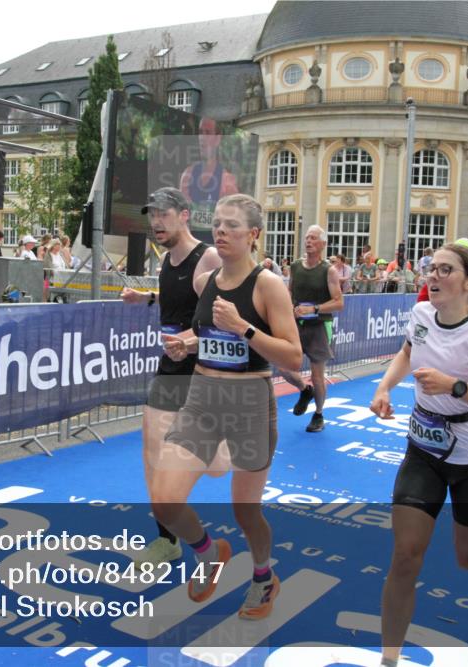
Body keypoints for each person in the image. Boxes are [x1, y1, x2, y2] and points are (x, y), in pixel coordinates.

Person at [369, 242, 468, 667]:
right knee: (405, 555)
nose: (432, 276)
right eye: (430, 267)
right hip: (423, 450)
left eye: (444, 270)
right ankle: (389, 659)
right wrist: (384, 388)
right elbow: (406, 353)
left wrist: (455, 385)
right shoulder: (421, 316)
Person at [152, 193, 301, 621]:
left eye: (232, 225)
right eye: (217, 223)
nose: (221, 231)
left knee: (245, 511)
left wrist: (244, 327)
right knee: (164, 500)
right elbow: (212, 334)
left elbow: (292, 357)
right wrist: (189, 344)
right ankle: (208, 552)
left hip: (249, 403)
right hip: (201, 398)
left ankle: (262, 576)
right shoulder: (208, 281)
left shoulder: (269, 285)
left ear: (253, 235)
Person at [120, 187, 221, 568]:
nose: (156, 222)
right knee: (152, 455)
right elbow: (175, 299)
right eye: (152, 215)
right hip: (170, 368)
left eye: (164, 214)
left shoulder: (206, 257)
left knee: (207, 466)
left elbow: (223, 319)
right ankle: (168, 540)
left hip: (202, 369)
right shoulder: (166, 260)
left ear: (184, 214)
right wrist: (144, 298)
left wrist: (192, 340)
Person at [281, 225, 344, 432]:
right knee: (284, 368)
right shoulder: (296, 267)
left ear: (323, 244)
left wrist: (314, 308)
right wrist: (290, 307)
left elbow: (339, 303)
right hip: (296, 324)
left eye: (313, 238)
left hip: (319, 326)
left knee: (318, 375)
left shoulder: (329, 270)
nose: (308, 241)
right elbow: (289, 292)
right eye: (307, 237)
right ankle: (304, 390)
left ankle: (318, 415)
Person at [179, 116, 239, 211]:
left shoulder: (227, 181)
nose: (202, 138)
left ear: (218, 138)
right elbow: (182, 215)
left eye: (207, 132)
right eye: (200, 132)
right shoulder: (187, 175)